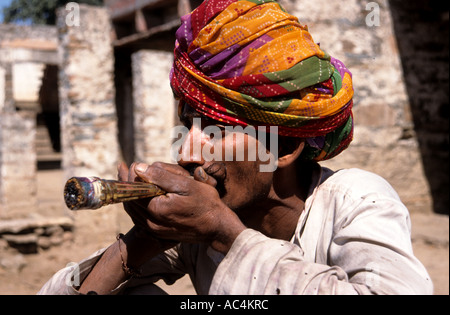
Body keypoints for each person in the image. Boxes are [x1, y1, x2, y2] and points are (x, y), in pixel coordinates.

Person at [39, 0, 432, 295]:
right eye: (187, 126)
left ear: (284, 146)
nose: (188, 151)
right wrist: (144, 239)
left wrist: (224, 232)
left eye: (215, 129)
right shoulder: (204, 224)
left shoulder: (356, 200)